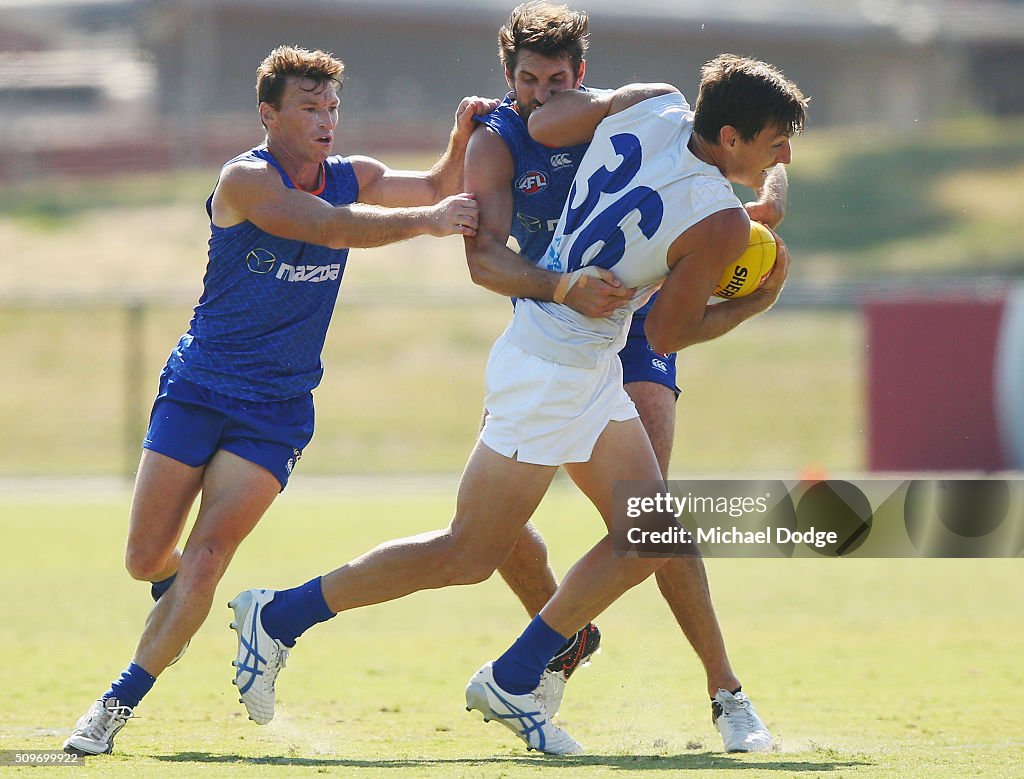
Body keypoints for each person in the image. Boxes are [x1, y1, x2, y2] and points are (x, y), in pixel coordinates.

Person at [228, 53, 806, 756]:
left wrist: (601, 109)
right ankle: (298, 619)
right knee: (471, 552)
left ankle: (508, 666)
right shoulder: (716, 221)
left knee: (648, 531)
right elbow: (667, 332)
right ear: (733, 139)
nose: (785, 153)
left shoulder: (653, 104)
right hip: (555, 369)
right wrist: (755, 300)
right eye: (776, 140)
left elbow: (554, 118)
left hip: (563, 353)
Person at [62, 44, 493, 756]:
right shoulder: (245, 179)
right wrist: (431, 221)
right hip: (199, 388)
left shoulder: (353, 173)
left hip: (276, 410)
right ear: (269, 114)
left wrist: (460, 136)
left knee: (206, 560)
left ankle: (112, 707)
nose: (326, 120)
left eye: (332, 107)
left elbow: (436, 183)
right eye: (309, 107)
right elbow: (327, 225)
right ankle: (175, 592)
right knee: (149, 559)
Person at [464, 1, 789, 744]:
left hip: (635, 323)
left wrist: (756, 211)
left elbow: (706, 209)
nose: (543, 93)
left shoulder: (625, 113)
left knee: (649, 518)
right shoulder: (500, 132)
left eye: (557, 79)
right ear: (508, 78)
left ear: (580, 74)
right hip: (552, 321)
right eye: (528, 79)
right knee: (496, 529)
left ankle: (723, 688)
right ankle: (547, 653)